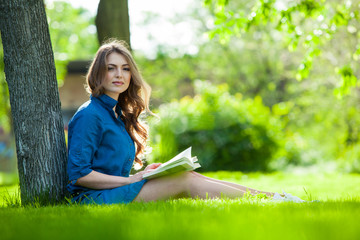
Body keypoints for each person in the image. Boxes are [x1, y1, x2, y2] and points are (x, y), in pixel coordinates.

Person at [67, 39, 304, 204]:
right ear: (98, 73)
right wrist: (132, 179)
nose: (119, 75)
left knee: (193, 176)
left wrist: (145, 174)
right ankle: (272, 199)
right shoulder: (90, 114)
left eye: (125, 69)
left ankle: (274, 197)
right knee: (185, 180)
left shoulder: (117, 114)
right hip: (91, 198)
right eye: (111, 68)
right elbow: (79, 175)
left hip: (119, 190)